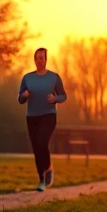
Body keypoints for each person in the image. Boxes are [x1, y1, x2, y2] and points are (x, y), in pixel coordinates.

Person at [18, 48, 68, 191]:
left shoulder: (54, 77)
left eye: (42, 58)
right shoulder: (27, 78)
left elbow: (63, 96)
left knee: (42, 143)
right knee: (36, 148)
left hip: (49, 115)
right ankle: (42, 179)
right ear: (34, 60)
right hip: (32, 117)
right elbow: (20, 99)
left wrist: (55, 98)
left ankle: (48, 169)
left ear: (46, 60)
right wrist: (25, 95)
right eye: (37, 58)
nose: (40, 60)